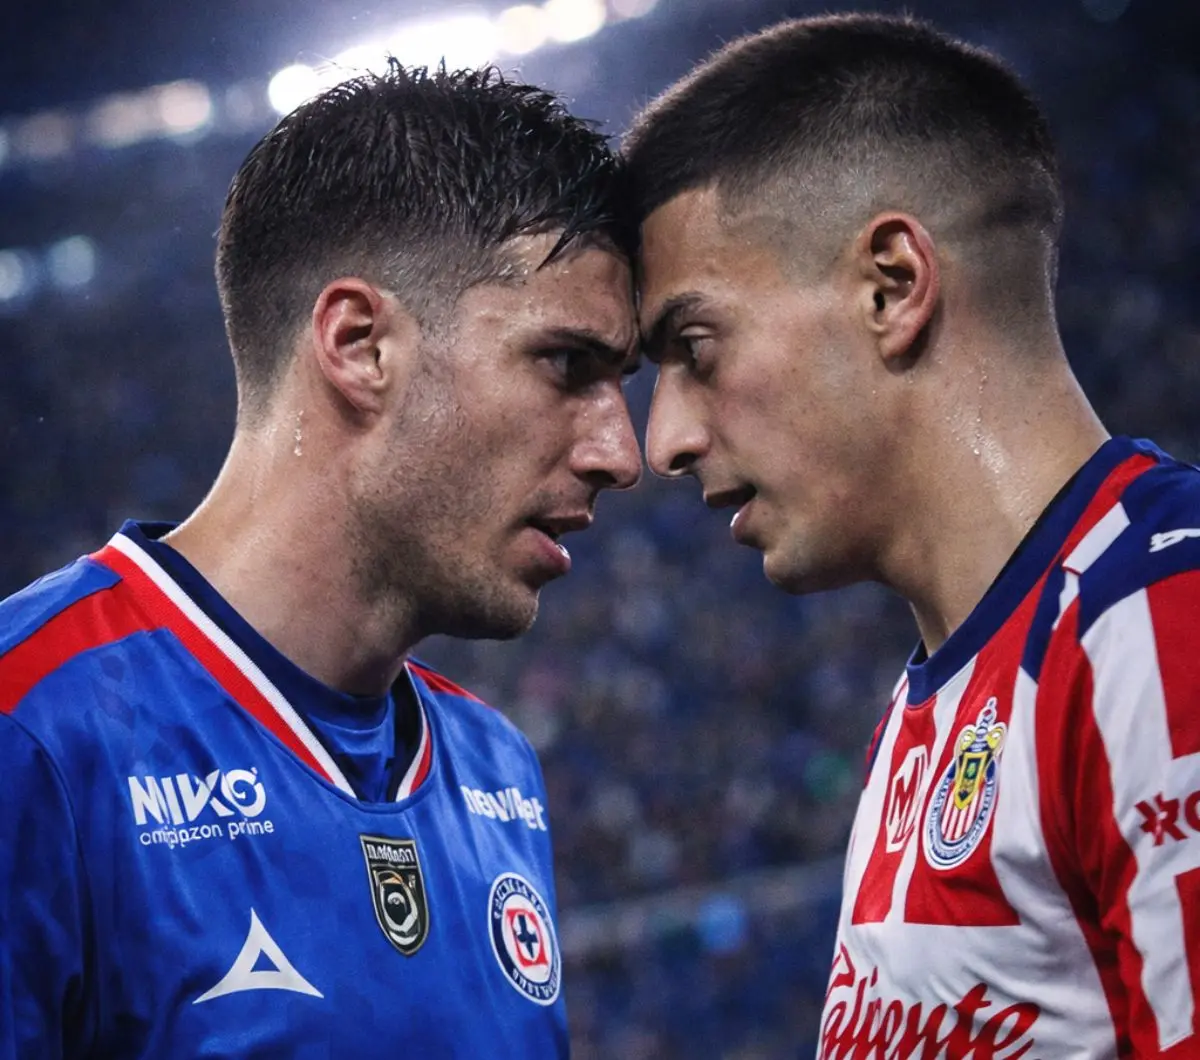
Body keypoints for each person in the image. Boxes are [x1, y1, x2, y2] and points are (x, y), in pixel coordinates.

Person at [0, 63, 641, 1058]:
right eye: (568, 364)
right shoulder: (31, 725)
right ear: (359, 344)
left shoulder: (496, 767)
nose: (622, 453)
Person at [624, 13, 1200, 1058]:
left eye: (695, 349)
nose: (663, 440)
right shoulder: (936, 698)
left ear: (892, 286)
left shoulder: (1163, 625)